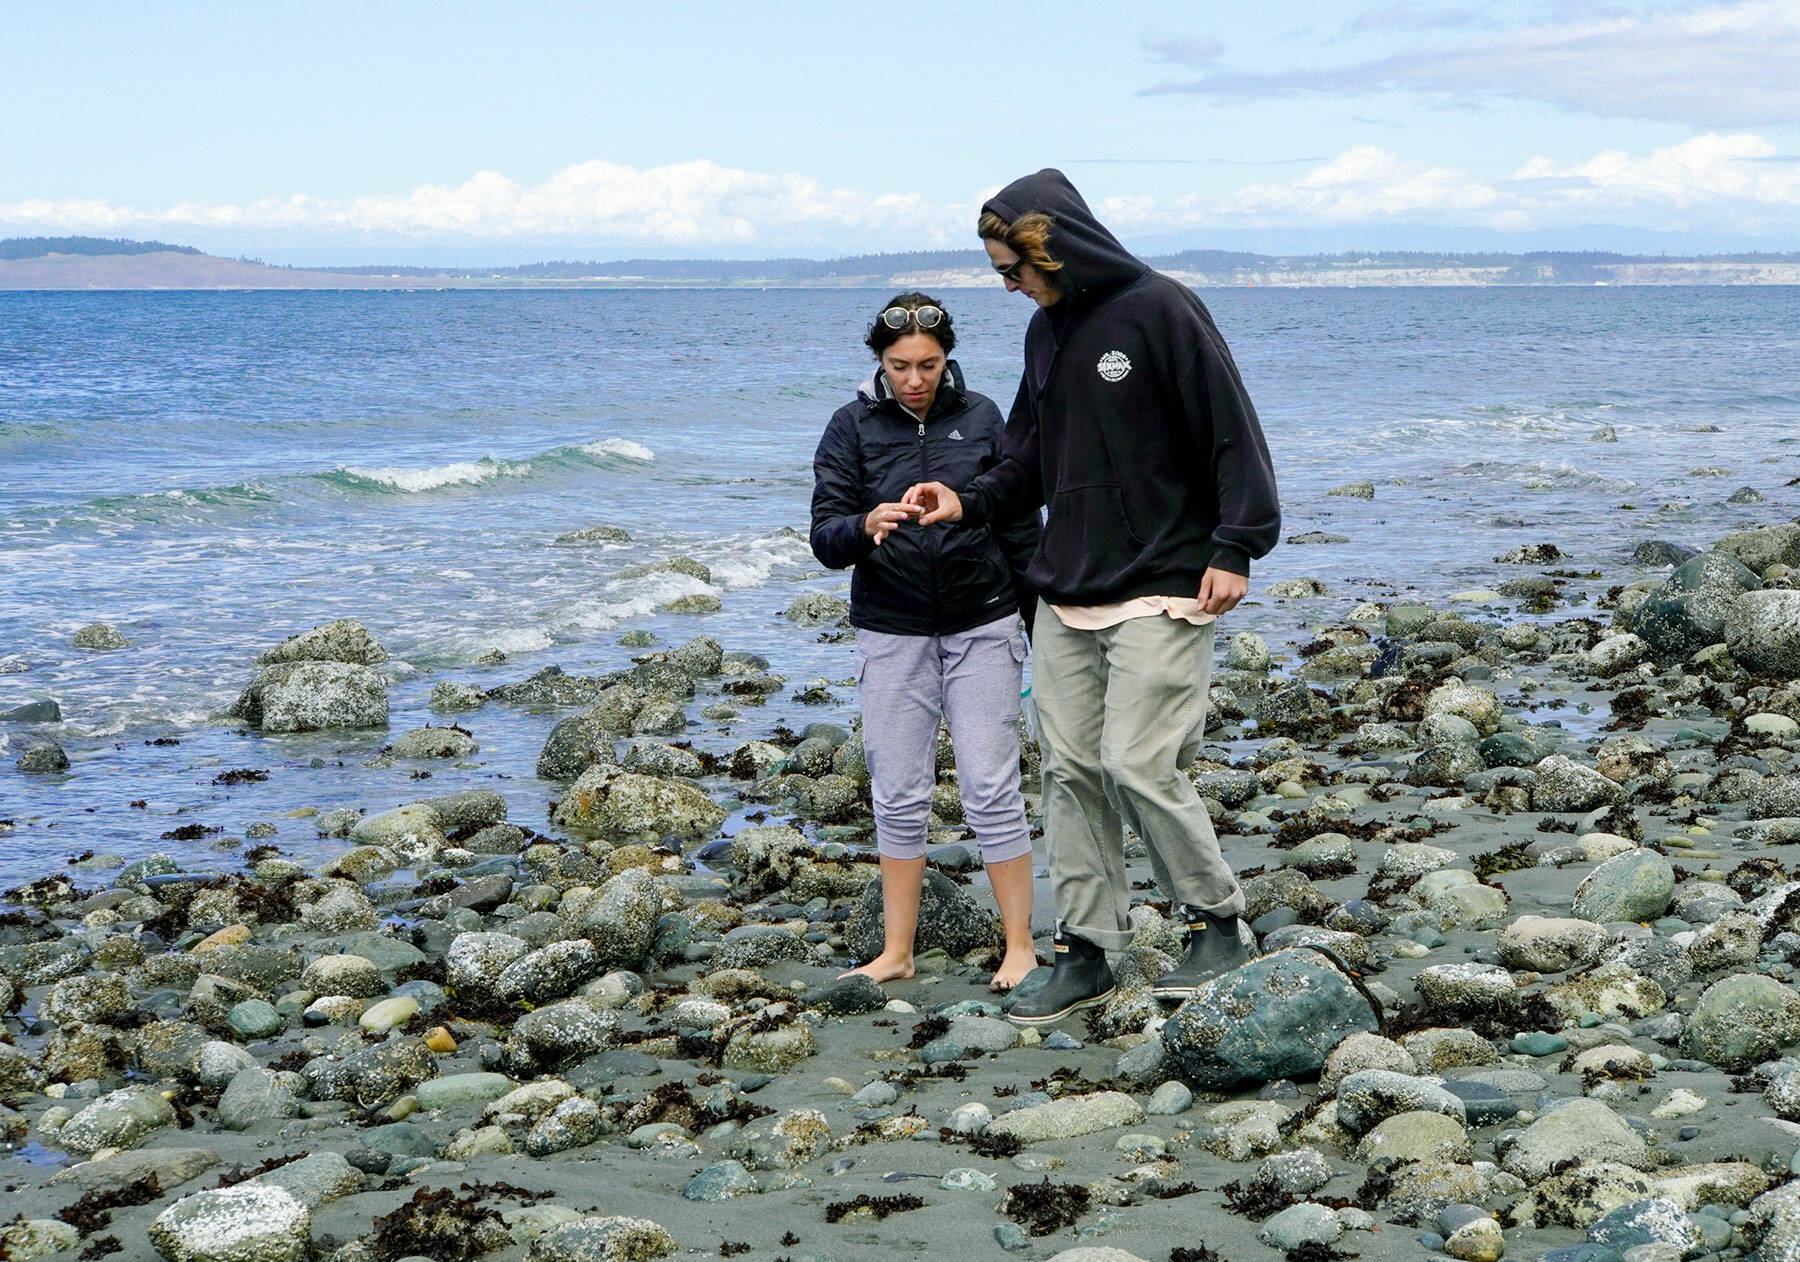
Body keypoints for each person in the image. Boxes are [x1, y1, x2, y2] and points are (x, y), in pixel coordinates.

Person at [903, 171, 1281, 1025]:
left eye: (1014, 269)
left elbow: (1231, 429)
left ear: (1054, 248)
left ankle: (1217, 920)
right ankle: (1090, 947)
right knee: (1070, 772)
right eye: (1001, 272)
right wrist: (968, 498)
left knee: (1139, 762)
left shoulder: (1162, 308)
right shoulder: (1047, 331)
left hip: (1168, 576)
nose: (1008, 287)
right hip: (1066, 584)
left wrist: (1237, 544)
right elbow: (1031, 454)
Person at [810, 292, 1042, 992]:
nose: (916, 379)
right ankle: (897, 952)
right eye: (901, 365)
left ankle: (1022, 947)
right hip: (891, 629)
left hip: (985, 622)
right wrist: (862, 525)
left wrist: (1041, 629)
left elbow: (1019, 523)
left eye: (930, 364)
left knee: (992, 787)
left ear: (948, 359)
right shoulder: (850, 427)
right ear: (878, 361)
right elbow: (824, 536)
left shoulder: (983, 418)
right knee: (898, 793)